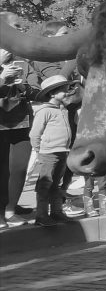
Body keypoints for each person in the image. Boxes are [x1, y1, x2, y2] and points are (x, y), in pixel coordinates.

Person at [28, 75, 76, 227]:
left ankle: (56, 211)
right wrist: (39, 149)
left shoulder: (63, 109)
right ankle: (41, 215)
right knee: (45, 184)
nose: (66, 92)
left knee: (56, 184)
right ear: (52, 94)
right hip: (48, 153)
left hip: (63, 151)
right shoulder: (45, 111)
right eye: (63, 90)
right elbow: (35, 133)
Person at [1, 51, 40, 230]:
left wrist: (23, 85)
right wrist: (2, 77)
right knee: (2, 171)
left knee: (19, 169)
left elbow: (38, 92)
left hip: (21, 124)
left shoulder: (22, 63)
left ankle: (10, 210)